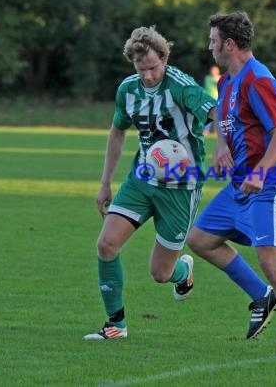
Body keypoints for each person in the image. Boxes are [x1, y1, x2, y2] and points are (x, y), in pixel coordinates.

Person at [186, 11, 276, 362]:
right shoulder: (227, 82)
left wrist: (260, 173)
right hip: (240, 184)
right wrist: (221, 147)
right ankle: (261, 296)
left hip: (270, 184)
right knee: (200, 239)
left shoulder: (258, 80)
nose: (209, 46)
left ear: (229, 44)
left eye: (213, 40)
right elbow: (225, 120)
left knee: (272, 262)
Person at [83, 26, 217, 340]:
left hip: (181, 189)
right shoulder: (128, 90)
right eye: (141, 69)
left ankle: (183, 272)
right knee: (106, 244)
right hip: (142, 178)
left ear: (165, 59)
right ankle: (116, 324)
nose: (147, 76)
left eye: (153, 68)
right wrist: (105, 183)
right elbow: (117, 132)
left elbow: (216, 112)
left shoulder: (182, 85)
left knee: (160, 273)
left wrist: (224, 148)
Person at [203, 65, 221, 134]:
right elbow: (214, 83)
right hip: (209, 100)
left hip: (218, 100)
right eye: (212, 70)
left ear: (217, 71)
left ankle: (216, 131)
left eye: (214, 70)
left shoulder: (220, 78)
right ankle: (206, 130)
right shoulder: (208, 78)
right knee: (208, 115)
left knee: (217, 116)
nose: (213, 72)